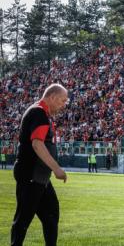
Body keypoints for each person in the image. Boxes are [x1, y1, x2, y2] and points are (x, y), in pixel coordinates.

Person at [11, 83, 68, 246]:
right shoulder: (39, 113)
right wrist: (56, 169)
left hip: (39, 177)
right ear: (52, 97)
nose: (63, 105)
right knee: (22, 220)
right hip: (31, 175)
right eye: (62, 101)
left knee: (51, 214)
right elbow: (37, 144)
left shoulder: (39, 112)